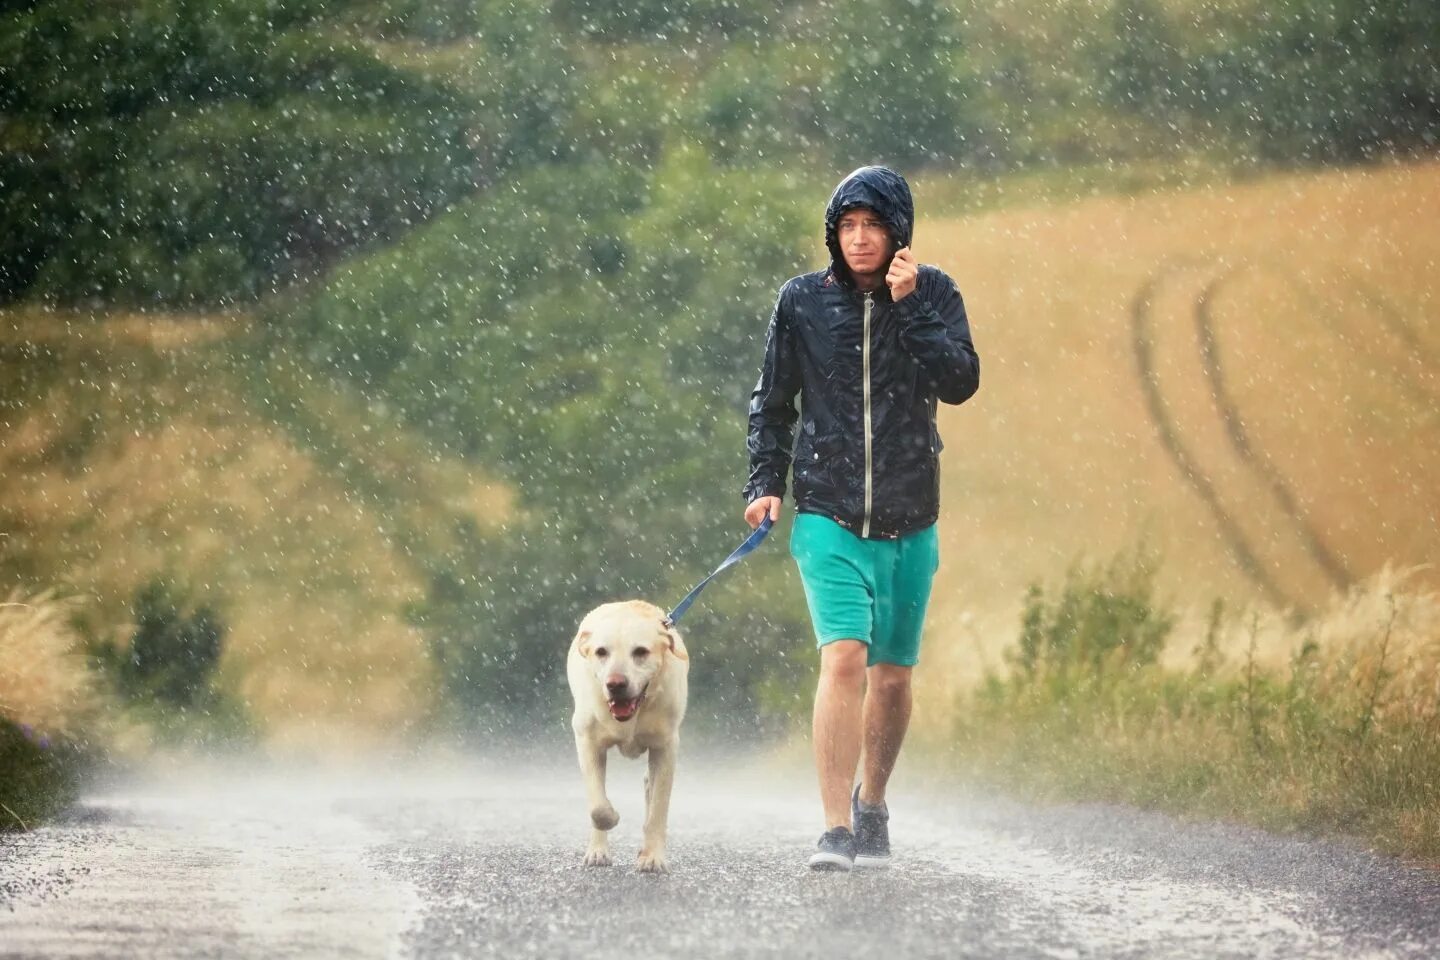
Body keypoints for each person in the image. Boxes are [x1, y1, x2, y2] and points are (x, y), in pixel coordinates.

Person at [742, 165, 980, 871]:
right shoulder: (802, 303)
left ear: (898, 232)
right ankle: (835, 826)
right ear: (832, 234)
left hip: (911, 514)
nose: (859, 239)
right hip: (827, 511)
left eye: (873, 225)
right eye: (847, 226)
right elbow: (772, 401)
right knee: (843, 658)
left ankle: (872, 801)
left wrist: (910, 308)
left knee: (894, 676)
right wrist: (765, 483)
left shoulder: (934, 292)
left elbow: (961, 382)